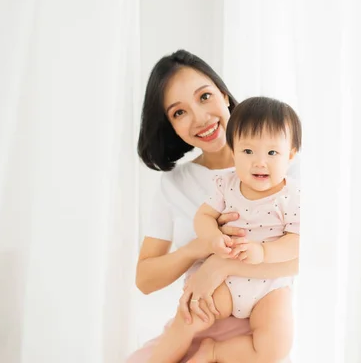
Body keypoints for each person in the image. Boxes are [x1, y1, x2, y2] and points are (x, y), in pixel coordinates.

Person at [126, 50, 299, 363]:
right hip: (196, 323)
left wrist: (223, 265)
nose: (200, 118)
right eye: (179, 112)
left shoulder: (281, 166)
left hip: (255, 336)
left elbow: (309, 255)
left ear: (223, 93)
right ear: (171, 125)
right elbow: (145, 279)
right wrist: (199, 248)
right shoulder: (176, 184)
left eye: (204, 97)